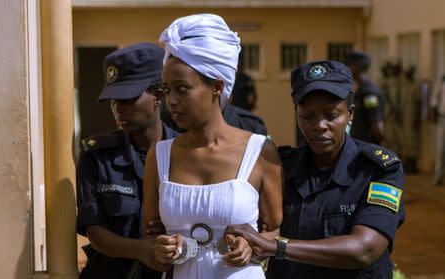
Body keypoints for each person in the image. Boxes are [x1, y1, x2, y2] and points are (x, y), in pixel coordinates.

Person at [226, 60, 405, 279]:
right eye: (307, 116)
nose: (319, 125)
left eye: (331, 115)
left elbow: (365, 249)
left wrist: (277, 247)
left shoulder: (378, 170)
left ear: (350, 114)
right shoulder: (280, 167)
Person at [142, 14, 283, 278]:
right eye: (167, 90)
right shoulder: (159, 155)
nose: (171, 100)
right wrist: (162, 248)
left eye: (182, 89)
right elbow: (151, 234)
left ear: (217, 86)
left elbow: (273, 229)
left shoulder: (260, 151)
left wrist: (251, 245)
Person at [76, 43, 177, 279]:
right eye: (113, 100)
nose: (119, 109)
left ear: (158, 96)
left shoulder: (186, 153)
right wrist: (143, 251)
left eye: (128, 99)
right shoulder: (97, 156)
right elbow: (96, 232)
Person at [345, 51, 385, 144]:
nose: (347, 69)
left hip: (366, 146)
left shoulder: (369, 93)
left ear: (356, 67)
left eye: (349, 66)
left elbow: (377, 127)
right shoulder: (362, 89)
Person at [431, 74, 445, 185]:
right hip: (443, 118)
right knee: (440, 149)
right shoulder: (443, 78)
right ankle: (438, 177)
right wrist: (434, 115)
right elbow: (434, 99)